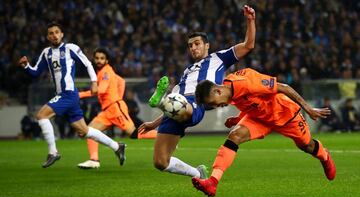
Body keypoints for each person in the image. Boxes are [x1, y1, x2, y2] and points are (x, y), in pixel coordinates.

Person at [139, 5, 256, 179]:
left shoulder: (219, 58)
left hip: (197, 102)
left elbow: (248, 45)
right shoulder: (186, 72)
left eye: (197, 44)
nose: (193, 48)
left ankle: (160, 101)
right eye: (190, 45)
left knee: (177, 103)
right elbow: (175, 104)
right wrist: (153, 124)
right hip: (176, 105)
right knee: (160, 162)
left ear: (207, 45)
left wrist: (250, 20)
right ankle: (197, 173)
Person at [192, 68, 336, 197]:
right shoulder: (228, 92)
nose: (216, 106)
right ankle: (212, 182)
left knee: (307, 146)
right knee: (234, 136)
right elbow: (250, 102)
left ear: (218, 91)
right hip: (259, 119)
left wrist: (308, 108)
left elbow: (284, 87)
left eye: (213, 103)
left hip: (284, 114)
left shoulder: (245, 83)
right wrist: (238, 119)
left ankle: (324, 156)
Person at [18, 22, 125, 168]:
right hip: (64, 95)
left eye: (57, 32)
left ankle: (53, 152)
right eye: (51, 33)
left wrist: (94, 82)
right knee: (84, 131)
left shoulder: (70, 48)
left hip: (68, 94)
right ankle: (117, 146)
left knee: (41, 115)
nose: (54, 35)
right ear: (47, 37)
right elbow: (35, 72)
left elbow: (87, 63)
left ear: (61, 34)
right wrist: (26, 66)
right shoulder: (46, 53)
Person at [77, 48, 157, 169]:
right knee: (89, 131)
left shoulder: (105, 71)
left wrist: (80, 95)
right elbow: (121, 81)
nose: (99, 60)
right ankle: (94, 160)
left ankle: (165, 134)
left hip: (115, 108)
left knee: (134, 134)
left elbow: (102, 90)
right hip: (107, 110)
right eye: (97, 58)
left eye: (102, 58)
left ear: (107, 60)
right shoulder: (105, 72)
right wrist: (117, 96)